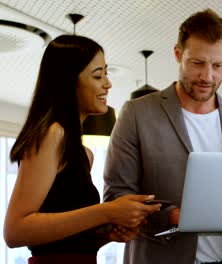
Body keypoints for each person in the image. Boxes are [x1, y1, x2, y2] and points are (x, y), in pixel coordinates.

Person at [103, 9, 222, 264]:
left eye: (218, 65)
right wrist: (173, 215)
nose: (208, 76)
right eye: (197, 63)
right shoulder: (137, 113)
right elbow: (116, 196)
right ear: (178, 54)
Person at [3, 35, 160, 264]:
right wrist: (107, 211)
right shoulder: (53, 134)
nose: (108, 83)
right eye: (98, 75)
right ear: (69, 81)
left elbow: (65, 244)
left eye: (106, 74)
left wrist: (106, 236)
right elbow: (15, 232)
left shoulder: (84, 154)